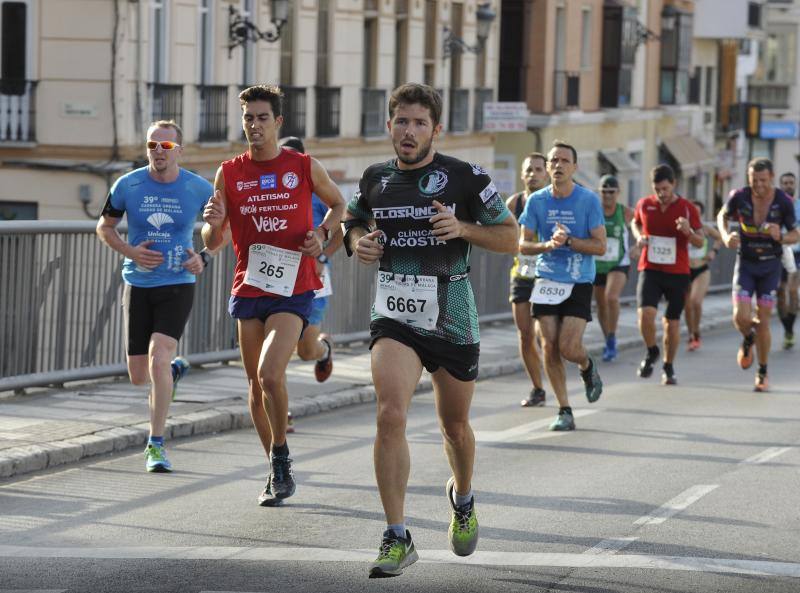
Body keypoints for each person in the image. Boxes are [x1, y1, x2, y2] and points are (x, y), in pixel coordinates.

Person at [342, 83, 518, 578]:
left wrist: (464, 229)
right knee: (389, 413)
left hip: (451, 311)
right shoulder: (375, 178)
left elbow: (512, 238)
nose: (409, 131)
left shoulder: (465, 177)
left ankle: (462, 495)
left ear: (436, 130)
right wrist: (359, 243)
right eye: (401, 121)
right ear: (390, 125)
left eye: (420, 123)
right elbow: (351, 222)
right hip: (394, 313)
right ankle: (397, 535)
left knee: (454, 427)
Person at [201, 85, 345, 505]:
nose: (255, 125)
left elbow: (339, 206)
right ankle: (275, 469)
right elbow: (213, 242)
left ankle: (281, 454)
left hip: (293, 288)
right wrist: (210, 222)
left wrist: (320, 235)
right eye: (248, 117)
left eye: (263, 117)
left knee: (269, 374)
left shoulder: (302, 166)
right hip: (249, 287)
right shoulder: (228, 172)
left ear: (278, 122)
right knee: (253, 388)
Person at [96, 120, 214, 472]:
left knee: (158, 357)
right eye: (152, 146)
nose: (158, 152)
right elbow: (104, 227)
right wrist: (130, 252)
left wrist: (203, 256)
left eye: (165, 146)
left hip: (177, 283)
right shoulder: (127, 184)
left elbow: (224, 228)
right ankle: (172, 374)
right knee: (138, 375)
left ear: (179, 150)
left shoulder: (197, 187)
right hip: (138, 283)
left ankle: (156, 444)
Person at [518, 140, 605, 432]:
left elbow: (601, 246)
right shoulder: (537, 201)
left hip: (579, 278)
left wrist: (569, 242)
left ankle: (586, 365)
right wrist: (546, 244)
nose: (558, 165)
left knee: (569, 347)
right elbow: (523, 243)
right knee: (549, 346)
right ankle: (564, 408)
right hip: (546, 279)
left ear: (574, 167)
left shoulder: (588, 200)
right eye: (554, 161)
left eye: (564, 161)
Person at [278, 136, 343, 433]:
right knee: (278, 349)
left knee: (305, 351)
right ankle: (283, 413)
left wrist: (324, 256)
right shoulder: (272, 189)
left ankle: (324, 348)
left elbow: (341, 228)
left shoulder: (316, 189)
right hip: (277, 279)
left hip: (313, 279)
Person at [717, 158, 798, 391]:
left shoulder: (783, 201)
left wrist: (780, 236)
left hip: (770, 267)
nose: (758, 185)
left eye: (763, 180)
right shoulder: (740, 196)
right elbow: (723, 215)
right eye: (754, 180)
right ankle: (748, 338)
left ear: (771, 177)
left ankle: (762, 372)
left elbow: (796, 234)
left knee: (763, 321)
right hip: (746, 264)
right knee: (740, 317)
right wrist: (724, 235)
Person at [631, 165, 705, 386]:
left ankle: (668, 366)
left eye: (665, 188)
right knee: (645, 314)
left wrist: (688, 232)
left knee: (671, 324)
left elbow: (701, 241)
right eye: (657, 189)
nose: (662, 193)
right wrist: (639, 236)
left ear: (674, 184)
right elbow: (635, 222)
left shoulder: (687, 208)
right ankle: (652, 350)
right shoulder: (645, 204)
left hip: (677, 272)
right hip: (650, 268)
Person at [506, 152, 548, 407]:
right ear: (522, 175)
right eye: (528, 169)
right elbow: (504, 234)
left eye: (538, 169)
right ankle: (537, 387)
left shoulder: (552, 203)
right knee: (524, 334)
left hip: (548, 274)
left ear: (546, 174)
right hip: (522, 272)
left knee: (543, 333)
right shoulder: (514, 203)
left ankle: (553, 371)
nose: (533, 174)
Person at [592, 175, 634, 362]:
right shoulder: (593, 212)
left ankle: (612, 335)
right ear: (599, 192)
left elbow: (643, 228)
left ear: (618, 193)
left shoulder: (625, 212)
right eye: (604, 192)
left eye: (611, 192)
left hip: (619, 262)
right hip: (597, 263)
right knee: (601, 304)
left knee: (611, 297)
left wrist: (639, 245)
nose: (608, 196)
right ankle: (608, 338)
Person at [684, 200, 722, 351]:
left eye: (698, 213)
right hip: (684, 270)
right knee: (687, 306)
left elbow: (720, 237)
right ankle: (691, 334)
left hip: (701, 269)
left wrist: (713, 252)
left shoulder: (705, 228)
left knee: (695, 302)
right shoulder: (684, 228)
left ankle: (696, 331)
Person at [776, 172, 800, 348]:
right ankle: (788, 329)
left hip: (797, 253)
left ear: (796, 185)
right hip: (778, 253)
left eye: (791, 183)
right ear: (780, 185)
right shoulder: (775, 206)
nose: (788, 186)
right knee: (780, 292)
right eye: (785, 183)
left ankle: (790, 329)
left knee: (792, 291)